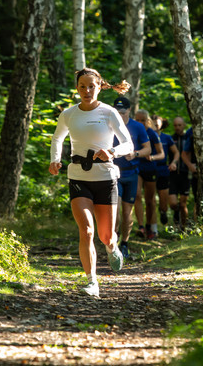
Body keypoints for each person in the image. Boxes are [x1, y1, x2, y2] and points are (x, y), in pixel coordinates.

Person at [49, 68, 134, 298]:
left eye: (91, 86)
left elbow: (128, 145)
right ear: (77, 89)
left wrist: (112, 151)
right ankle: (92, 282)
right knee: (86, 230)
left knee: (106, 235)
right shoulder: (69, 114)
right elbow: (58, 138)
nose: (87, 91)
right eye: (82, 86)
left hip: (105, 178)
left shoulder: (109, 113)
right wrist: (55, 160)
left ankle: (112, 247)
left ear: (99, 87)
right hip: (78, 177)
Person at [111, 97, 151, 259]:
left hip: (131, 174)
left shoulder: (138, 127)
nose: (120, 115)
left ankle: (125, 244)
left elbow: (147, 149)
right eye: (117, 112)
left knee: (127, 213)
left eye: (122, 112)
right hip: (114, 174)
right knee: (115, 211)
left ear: (129, 111)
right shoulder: (108, 126)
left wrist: (135, 154)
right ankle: (113, 244)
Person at [134, 109, 164, 240]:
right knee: (137, 195)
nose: (140, 122)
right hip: (137, 167)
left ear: (147, 121)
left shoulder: (152, 133)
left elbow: (161, 153)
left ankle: (149, 226)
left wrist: (152, 157)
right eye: (137, 120)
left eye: (142, 120)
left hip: (150, 169)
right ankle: (140, 226)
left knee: (150, 201)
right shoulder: (132, 131)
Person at [152, 115, 177, 229]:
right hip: (149, 169)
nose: (155, 126)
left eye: (157, 124)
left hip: (163, 170)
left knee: (163, 199)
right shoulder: (146, 136)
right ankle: (152, 227)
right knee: (150, 199)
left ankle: (163, 212)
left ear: (162, 124)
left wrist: (173, 163)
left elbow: (176, 153)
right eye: (153, 124)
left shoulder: (167, 138)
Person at [168, 117, 190, 227]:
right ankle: (176, 214)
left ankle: (184, 227)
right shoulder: (171, 139)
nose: (177, 127)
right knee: (173, 203)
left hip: (185, 174)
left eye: (179, 125)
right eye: (175, 125)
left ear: (184, 125)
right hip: (172, 175)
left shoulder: (189, 138)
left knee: (183, 204)